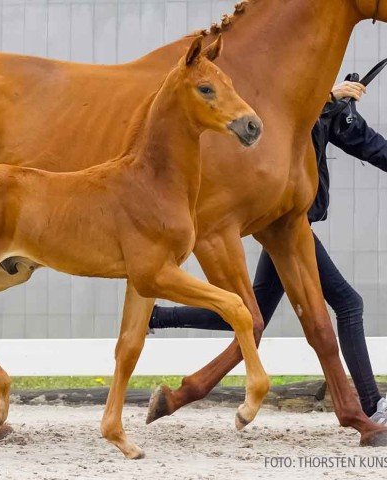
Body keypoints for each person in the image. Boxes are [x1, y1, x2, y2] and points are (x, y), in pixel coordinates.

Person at [149, 79, 387, 424]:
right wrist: (328, 96)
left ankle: (158, 320)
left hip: (289, 226)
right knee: (349, 303)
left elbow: (370, 146)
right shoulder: (290, 100)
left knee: (249, 311)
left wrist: (335, 104)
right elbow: (272, 128)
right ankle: (372, 405)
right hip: (289, 226)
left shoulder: (330, 110)